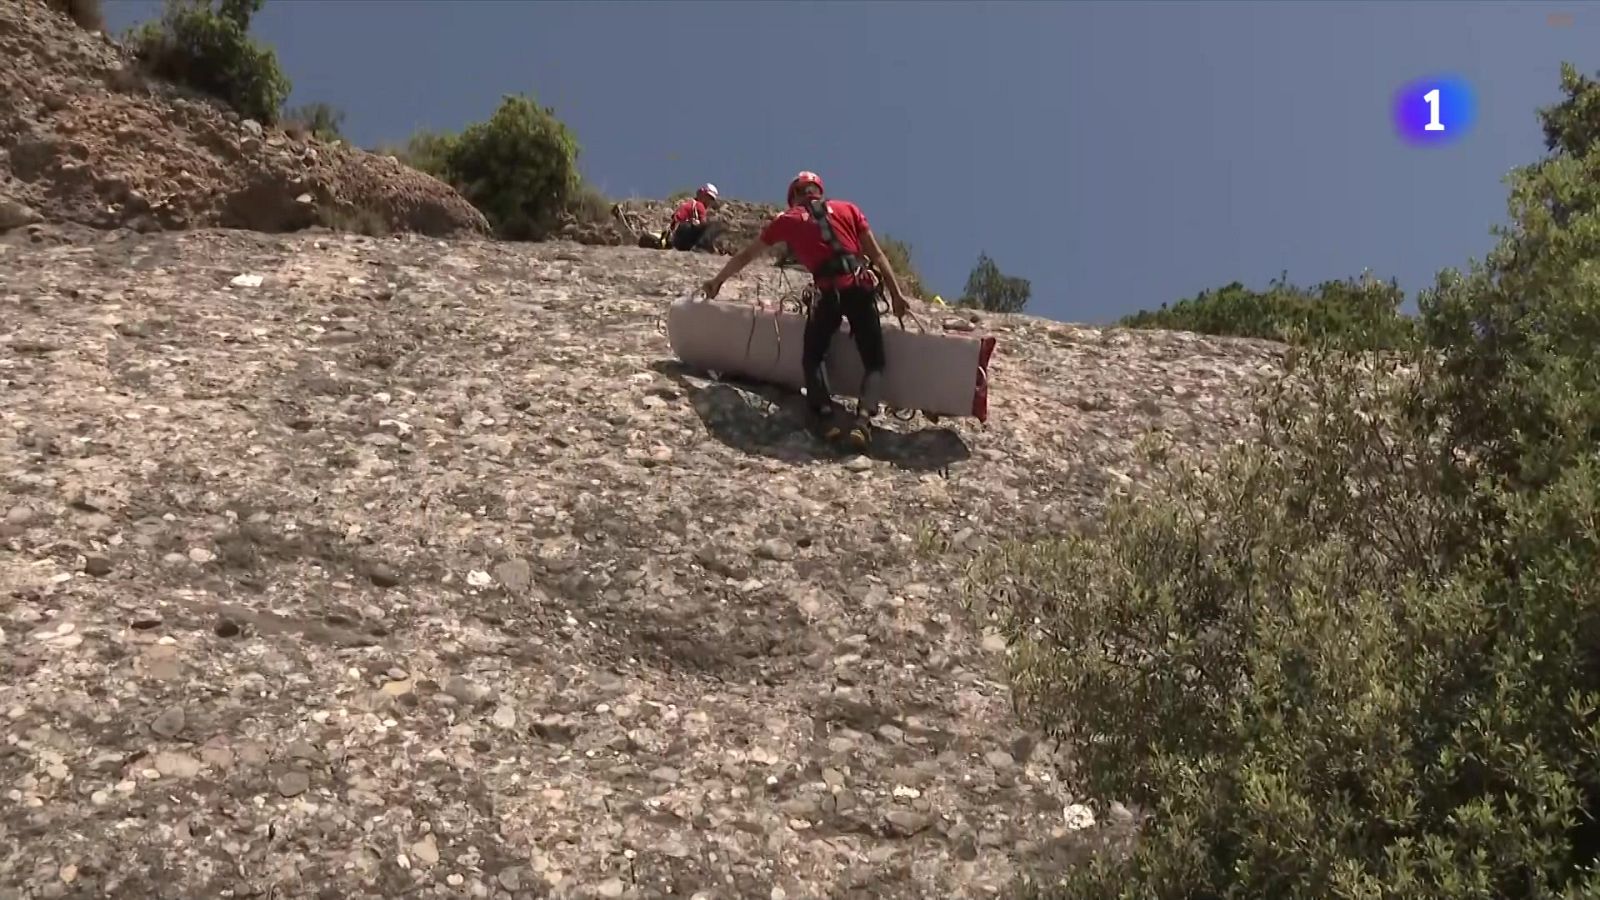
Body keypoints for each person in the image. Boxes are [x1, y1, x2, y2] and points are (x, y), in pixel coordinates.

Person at [701, 170, 911, 451]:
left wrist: (717, 282)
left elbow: (746, 255)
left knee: (813, 357)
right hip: (860, 287)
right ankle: (862, 422)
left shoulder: (788, 220)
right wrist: (896, 294)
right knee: (874, 361)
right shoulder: (849, 208)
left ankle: (826, 418)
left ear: (795, 197)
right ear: (818, 191)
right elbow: (877, 254)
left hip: (828, 293)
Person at [667, 183, 722, 252]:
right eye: (708, 197)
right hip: (681, 235)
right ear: (701, 194)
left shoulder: (690, 204)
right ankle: (701, 248)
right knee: (714, 226)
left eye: (711, 199)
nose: (709, 200)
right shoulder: (699, 205)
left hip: (675, 237)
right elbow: (703, 224)